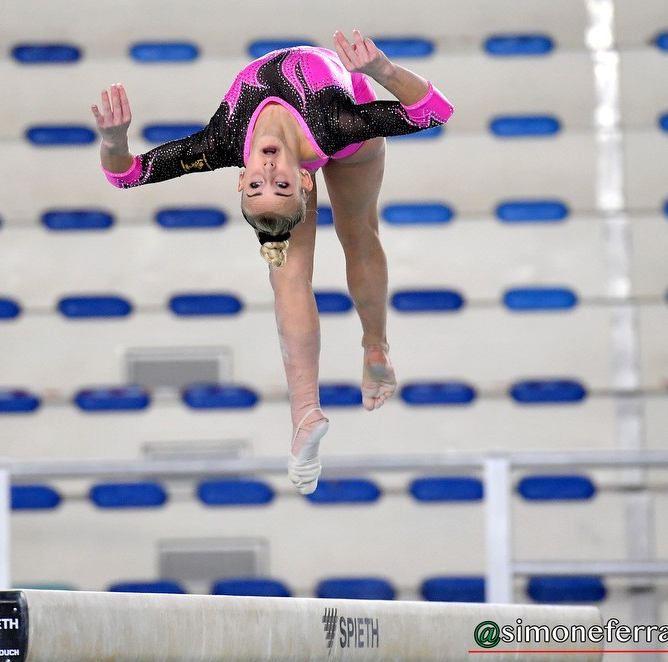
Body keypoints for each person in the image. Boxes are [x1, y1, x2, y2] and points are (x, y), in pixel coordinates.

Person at [91, 30, 453, 495]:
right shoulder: (338, 123)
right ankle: (315, 404)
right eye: (280, 186)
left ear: (240, 179)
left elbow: (127, 174)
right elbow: (432, 112)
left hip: (335, 122)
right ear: (303, 181)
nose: (267, 173)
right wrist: (383, 72)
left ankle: (367, 354)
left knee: (347, 240)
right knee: (310, 261)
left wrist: (113, 140)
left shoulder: (223, 140)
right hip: (339, 130)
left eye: (258, 186)